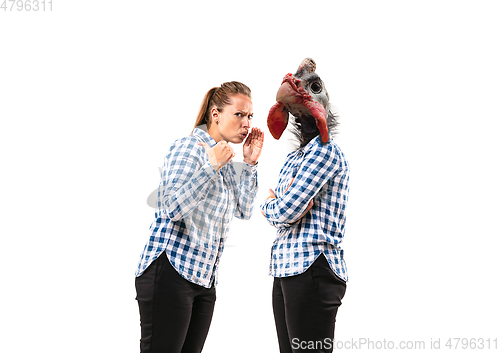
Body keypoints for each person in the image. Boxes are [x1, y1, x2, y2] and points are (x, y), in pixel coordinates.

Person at [135, 81, 264, 353]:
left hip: (203, 280)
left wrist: (250, 164)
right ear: (215, 115)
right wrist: (210, 166)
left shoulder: (227, 158)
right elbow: (170, 207)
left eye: (250, 116)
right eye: (239, 114)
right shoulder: (190, 148)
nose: (246, 123)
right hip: (171, 272)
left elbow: (245, 210)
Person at [260, 129, 349, 353]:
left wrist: (269, 205)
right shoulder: (294, 157)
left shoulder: (324, 150)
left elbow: (286, 210)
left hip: (312, 266)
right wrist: (283, 206)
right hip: (284, 269)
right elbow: (287, 209)